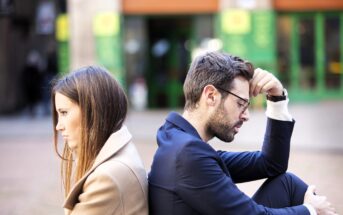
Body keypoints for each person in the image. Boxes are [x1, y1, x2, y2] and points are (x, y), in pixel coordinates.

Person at [148, 51, 336, 214]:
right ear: (211, 96)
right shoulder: (188, 155)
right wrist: (311, 210)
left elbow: (271, 164)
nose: (246, 116)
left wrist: (276, 97)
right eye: (240, 104)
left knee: (287, 184)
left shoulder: (180, 142)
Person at [51, 66, 148, 215]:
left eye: (64, 113)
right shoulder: (120, 151)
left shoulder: (106, 178)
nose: (58, 126)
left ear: (93, 111)